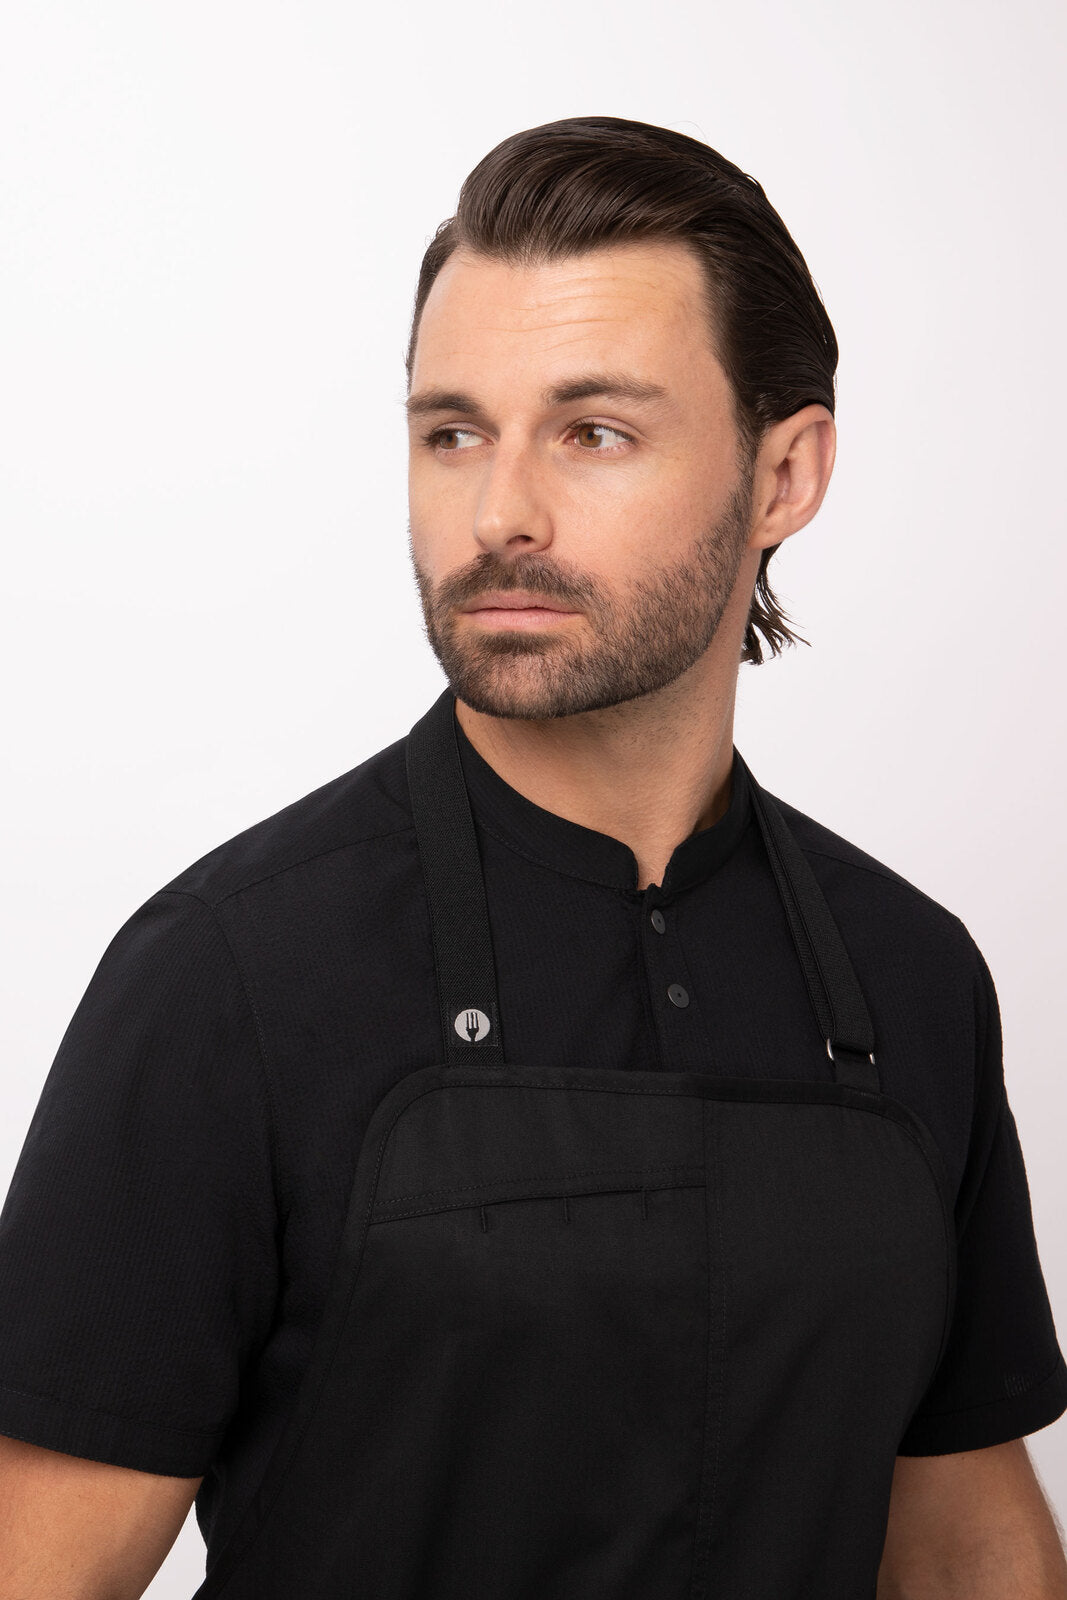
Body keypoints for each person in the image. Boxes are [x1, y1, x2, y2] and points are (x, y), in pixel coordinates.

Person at [0, 114, 1065, 1600]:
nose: (500, 513)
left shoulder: (912, 978)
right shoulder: (229, 980)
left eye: (594, 432)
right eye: (454, 433)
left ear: (784, 475)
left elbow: (963, 1553)